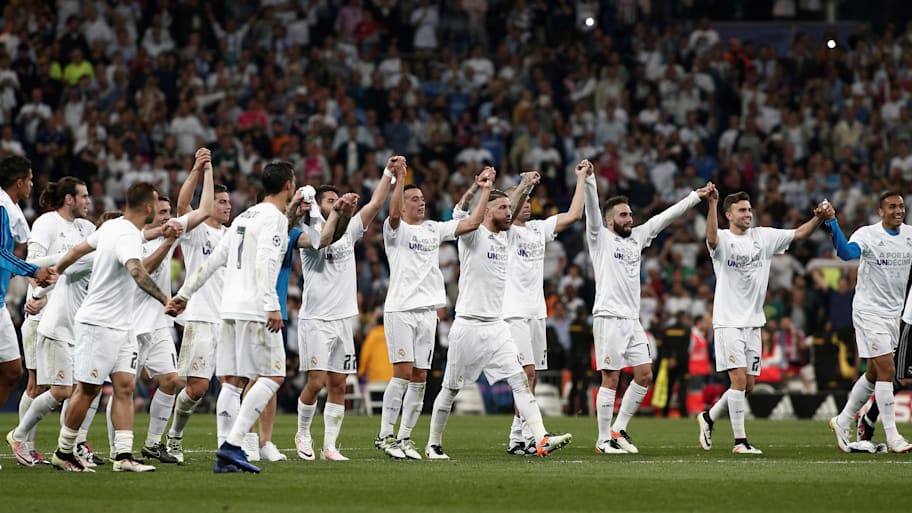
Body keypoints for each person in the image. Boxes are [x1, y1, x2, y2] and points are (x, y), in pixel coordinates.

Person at [424, 169, 572, 460]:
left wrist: (524, 186)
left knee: (520, 380)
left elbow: (510, 205)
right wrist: (483, 189)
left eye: (510, 207)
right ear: (488, 210)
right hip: (467, 325)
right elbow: (475, 216)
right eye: (502, 208)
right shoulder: (472, 235)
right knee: (451, 388)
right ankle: (433, 444)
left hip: (496, 326)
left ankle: (540, 437)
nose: (510, 212)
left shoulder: (507, 237)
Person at [166, 161, 296, 474]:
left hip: (228, 310)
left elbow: (214, 262)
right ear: (289, 186)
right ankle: (232, 443)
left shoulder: (243, 217)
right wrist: (271, 303)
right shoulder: (275, 219)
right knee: (273, 376)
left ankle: (227, 452)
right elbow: (266, 260)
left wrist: (184, 294)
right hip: (255, 310)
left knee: (233, 381)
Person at [584, 161, 713, 454]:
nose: (629, 218)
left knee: (644, 375)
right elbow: (591, 210)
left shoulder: (638, 237)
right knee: (611, 377)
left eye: (630, 214)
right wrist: (590, 180)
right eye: (623, 215)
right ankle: (603, 440)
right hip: (608, 317)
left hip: (632, 320)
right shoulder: (600, 238)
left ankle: (619, 430)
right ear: (609, 221)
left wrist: (697, 196)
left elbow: (666, 216)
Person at [49, 182, 170, 472]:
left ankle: (124, 456)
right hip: (98, 323)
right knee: (87, 390)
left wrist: (58, 269)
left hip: (122, 324)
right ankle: (64, 452)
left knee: (125, 386)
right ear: (149, 207)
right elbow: (138, 272)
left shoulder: (113, 226)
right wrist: (167, 299)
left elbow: (78, 250)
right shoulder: (126, 234)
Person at [374, 161, 488, 460]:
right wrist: (400, 179)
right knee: (401, 372)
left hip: (427, 312)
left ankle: (405, 438)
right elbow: (394, 212)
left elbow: (471, 223)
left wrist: (481, 189)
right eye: (414, 199)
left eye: (423, 200)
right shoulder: (394, 230)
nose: (420, 203)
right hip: (400, 308)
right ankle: (385, 435)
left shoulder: (433, 230)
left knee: (420, 376)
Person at [698, 190, 826, 454]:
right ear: (728, 215)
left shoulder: (763, 237)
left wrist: (818, 219)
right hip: (728, 321)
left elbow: (799, 233)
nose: (748, 214)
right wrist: (711, 203)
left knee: (749, 384)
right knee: (737, 381)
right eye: (742, 210)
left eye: (749, 209)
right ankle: (740, 442)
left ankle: (709, 417)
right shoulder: (722, 238)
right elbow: (710, 238)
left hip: (754, 322)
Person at [244, 186, 358, 463]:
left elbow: (320, 240)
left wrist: (339, 212)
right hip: (249, 306)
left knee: (270, 378)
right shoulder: (248, 226)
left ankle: (265, 442)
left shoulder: (292, 232)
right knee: (243, 379)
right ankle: (242, 440)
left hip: (277, 311)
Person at [294, 156, 396, 462]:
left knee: (339, 384)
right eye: (330, 199)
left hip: (342, 320)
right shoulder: (308, 233)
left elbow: (376, 203)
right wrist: (338, 211)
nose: (336, 202)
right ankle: (302, 432)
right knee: (316, 382)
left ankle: (330, 446)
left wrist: (389, 172)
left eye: (337, 198)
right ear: (318, 206)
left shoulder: (350, 228)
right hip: (315, 319)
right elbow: (326, 239)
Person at [133, 148, 215, 464]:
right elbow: (144, 269)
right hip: (128, 321)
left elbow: (200, 208)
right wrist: (167, 239)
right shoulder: (134, 236)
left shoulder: (171, 232)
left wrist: (199, 169)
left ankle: (154, 443)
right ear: (148, 212)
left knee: (170, 380)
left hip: (159, 321)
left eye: (170, 212)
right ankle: (107, 447)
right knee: (119, 385)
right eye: (163, 212)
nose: (170, 217)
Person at [499, 160, 586, 455]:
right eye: (521, 200)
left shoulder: (539, 228)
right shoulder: (505, 231)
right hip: (512, 310)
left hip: (536, 311)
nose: (526, 205)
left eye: (528, 201)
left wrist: (582, 179)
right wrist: (524, 186)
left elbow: (574, 215)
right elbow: (507, 214)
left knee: (532, 375)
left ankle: (518, 437)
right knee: (526, 373)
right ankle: (529, 436)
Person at [822, 192, 912, 453]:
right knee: (887, 371)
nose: (898, 210)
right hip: (868, 311)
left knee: (874, 374)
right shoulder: (868, 234)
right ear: (880, 211)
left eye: (901, 206)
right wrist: (833, 224)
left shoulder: (909, 235)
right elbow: (846, 254)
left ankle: (841, 420)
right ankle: (894, 437)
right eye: (892, 207)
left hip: (894, 314)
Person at [14, 177, 93, 466]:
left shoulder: (87, 228)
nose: (88, 201)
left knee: (74, 385)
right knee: (37, 386)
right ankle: (25, 444)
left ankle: (73, 443)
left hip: (74, 319)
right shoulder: (46, 223)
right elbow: (34, 267)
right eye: (83, 196)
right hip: (42, 315)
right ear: (69, 199)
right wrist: (38, 296)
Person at [0, 156, 57, 471]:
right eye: (30, 179)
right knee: (13, 371)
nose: (33, 184)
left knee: (12, 371)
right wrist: (33, 270)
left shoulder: (7, 207)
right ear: (19, 182)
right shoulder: (0, 207)